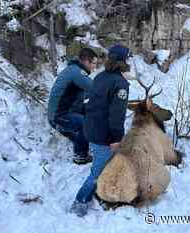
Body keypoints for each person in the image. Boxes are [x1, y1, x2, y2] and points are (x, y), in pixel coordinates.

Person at [70, 44, 132, 217]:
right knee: (96, 172)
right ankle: (80, 202)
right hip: (103, 136)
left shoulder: (100, 77)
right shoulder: (121, 85)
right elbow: (116, 116)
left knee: (106, 164)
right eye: (129, 58)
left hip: (91, 129)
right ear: (123, 61)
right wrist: (116, 139)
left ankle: (107, 192)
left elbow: (90, 103)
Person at [47, 48, 98, 164]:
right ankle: (80, 155)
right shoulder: (77, 73)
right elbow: (95, 88)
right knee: (84, 123)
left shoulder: (74, 70)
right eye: (94, 63)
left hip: (68, 109)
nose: (95, 67)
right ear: (86, 61)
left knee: (93, 110)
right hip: (58, 116)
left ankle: (89, 139)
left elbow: (86, 93)